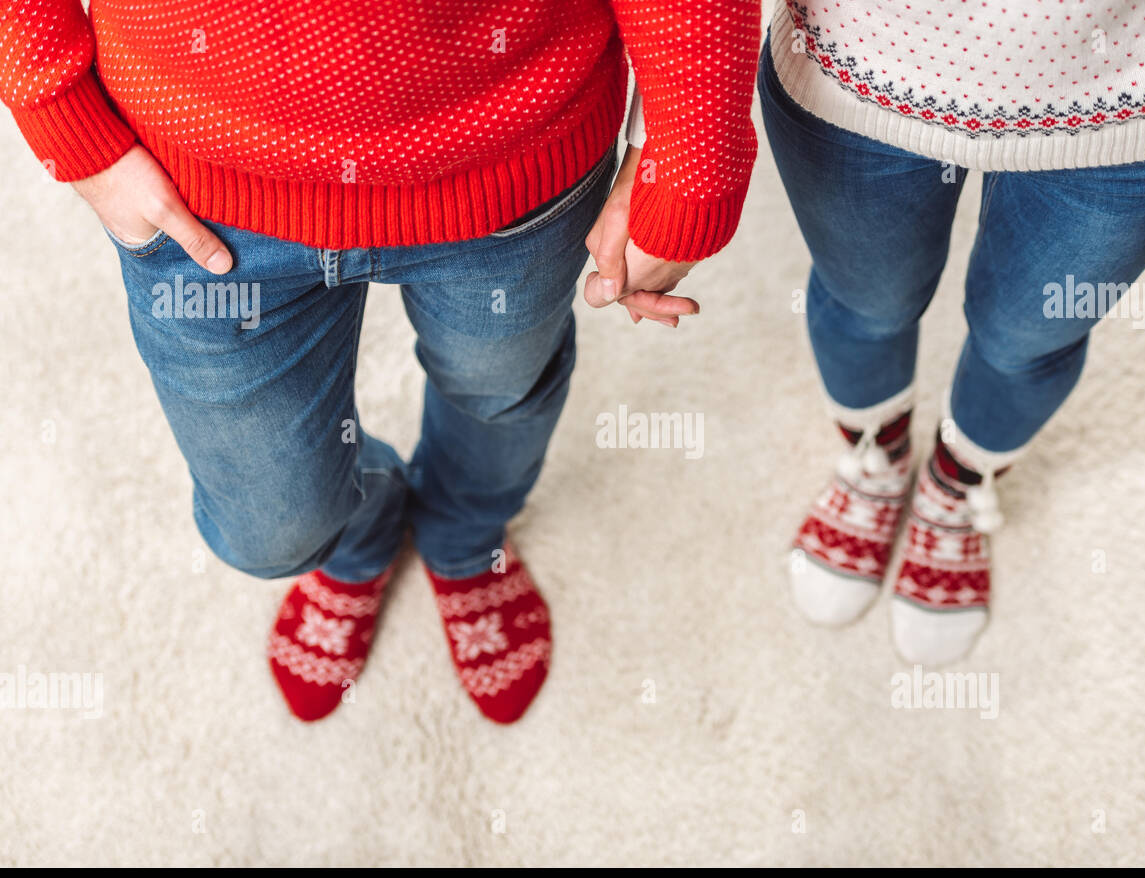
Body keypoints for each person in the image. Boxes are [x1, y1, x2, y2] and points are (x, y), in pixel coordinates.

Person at [1, 0, 760, 721]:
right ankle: (359, 534)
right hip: (197, 180)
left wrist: (693, 159)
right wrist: (62, 117)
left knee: (497, 392)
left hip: (513, 152)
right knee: (274, 527)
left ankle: (463, 535)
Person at [761, 1, 1145, 665]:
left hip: (1136, 87)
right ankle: (879, 454)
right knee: (863, 303)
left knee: (1025, 344)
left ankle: (954, 483)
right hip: (857, 67)